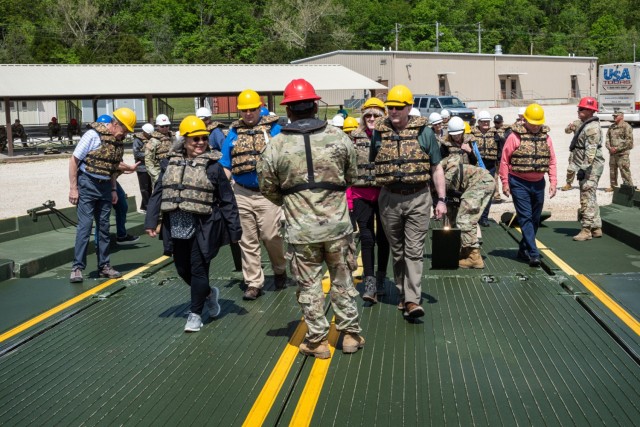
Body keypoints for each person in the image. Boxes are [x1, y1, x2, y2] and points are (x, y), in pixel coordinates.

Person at [258, 78, 364, 358]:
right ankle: (350, 335)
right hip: (338, 226)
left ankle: (317, 342)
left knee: (309, 285)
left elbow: (267, 187)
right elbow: (352, 175)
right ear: (315, 106)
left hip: (300, 230)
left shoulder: (276, 146)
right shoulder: (340, 138)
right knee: (342, 281)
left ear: (289, 110)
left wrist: (292, 201)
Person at [145, 116, 242, 332]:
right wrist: (151, 220)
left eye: (204, 138)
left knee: (199, 269)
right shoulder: (168, 164)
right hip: (176, 225)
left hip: (204, 226)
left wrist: (235, 230)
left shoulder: (213, 167)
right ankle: (208, 293)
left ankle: (195, 314)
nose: (200, 142)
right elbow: (158, 192)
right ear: (184, 140)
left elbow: (227, 200)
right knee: (181, 269)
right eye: (195, 139)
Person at [369, 84, 447, 319]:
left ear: (409, 107)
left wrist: (441, 200)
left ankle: (413, 300)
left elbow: (436, 167)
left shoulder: (424, 132)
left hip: (418, 197)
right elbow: (375, 163)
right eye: (390, 107)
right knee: (398, 250)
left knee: (414, 251)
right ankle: (404, 294)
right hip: (389, 198)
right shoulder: (379, 132)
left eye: (398, 107)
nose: (393, 111)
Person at [221, 89, 287, 300]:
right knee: (246, 239)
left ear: (260, 108)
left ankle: (279, 269)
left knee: (270, 235)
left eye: (252, 109)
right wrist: (220, 190)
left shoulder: (275, 130)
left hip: (268, 193)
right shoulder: (233, 132)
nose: (248, 113)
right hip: (241, 192)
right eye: (244, 110)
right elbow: (226, 164)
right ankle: (253, 282)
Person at [68, 108, 137, 283]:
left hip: (106, 186)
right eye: (125, 130)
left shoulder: (117, 142)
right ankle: (77, 268)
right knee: (84, 227)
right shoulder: (92, 135)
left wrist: (113, 189)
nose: (125, 134)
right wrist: (73, 188)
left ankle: (104, 266)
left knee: (104, 228)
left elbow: (112, 168)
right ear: (115, 124)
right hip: (87, 184)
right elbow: (74, 160)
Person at [499, 103, 557, 267]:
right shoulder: (514, 136)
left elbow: (552, 161)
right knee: (525, 218)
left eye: (538, 123)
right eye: (532, 122)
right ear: (525, 120)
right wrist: (505, 183)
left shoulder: (546, 137)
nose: (535, 126)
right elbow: (504, 161)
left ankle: (523, 249)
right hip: (518, 182)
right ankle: (534, 253)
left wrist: (553, 181)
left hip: (539, 183)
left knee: (535, 219)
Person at [346, 97, 390, 303]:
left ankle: (381, 277)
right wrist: (348, 199)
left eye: (376, 115)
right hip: (361, 193)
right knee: (366, 238)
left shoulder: (390, 136)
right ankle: (369, 282)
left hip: (384, 194)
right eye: (368, 115)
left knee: (383, 238)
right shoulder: (353, 137)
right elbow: (345, 169)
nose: (372, 118)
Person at [570, 97, 605, 241]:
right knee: (591, 196)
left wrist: (583, 169)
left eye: (581, 109)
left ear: (590, 111)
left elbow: (590, 151)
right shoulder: (587, 125)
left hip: (590, 168)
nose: (578, 111)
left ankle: (586, 230)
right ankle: (596, 227)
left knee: (586, 198)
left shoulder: (591, 128)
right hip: (588, 166)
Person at [470, 110, 499, 226]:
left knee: (488, 192)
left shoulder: (496, 134)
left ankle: (484, 217)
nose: (486, 124)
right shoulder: (471, 134)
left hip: (491, 166)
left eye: (487, 122)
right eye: (483, 122)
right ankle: (474, 216)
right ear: (479, 122)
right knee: (475, 192)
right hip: (476, 166)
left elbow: (501, 150)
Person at [605, 111, 634, 191]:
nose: (614, 117)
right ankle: (613, 186)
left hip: (622, 153)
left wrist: (617, 148)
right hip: (612, 153)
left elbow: (629, 142)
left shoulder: (626, 126)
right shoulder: (611, 127)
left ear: (622, 117)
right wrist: (609, 147)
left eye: (616, 116)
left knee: (624, 170)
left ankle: (629, 187)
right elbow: (607, 138)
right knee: (612, 171)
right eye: (613, 116)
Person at [146, 114, 174, 186]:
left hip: (173, 172)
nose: (165, 128)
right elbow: (148, 161)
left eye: (167, 126)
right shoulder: (153, 140)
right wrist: (156, 177)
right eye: (162, 126)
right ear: (158, 126)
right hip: (159, 173)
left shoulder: (173, 138)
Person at [132, 123, 154, 213]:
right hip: (141, 167)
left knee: (149, 187)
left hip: (150, 166)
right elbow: (136, 153)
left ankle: (145, 206)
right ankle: (147, 207)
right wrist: (148, 155)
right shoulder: (137, 140)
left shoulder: (151, 139)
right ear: (144, 131)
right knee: (144, 188)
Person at [492, 114, 512, 201]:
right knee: (495, 177)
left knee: (508, 176)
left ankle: (512, 192)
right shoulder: (492, 131)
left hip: (506, 158)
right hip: (496, 158)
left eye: (499, 122)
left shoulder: (507, 131)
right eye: (496, 122)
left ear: (502, 122)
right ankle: (496, 195)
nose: (497, 124)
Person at [561, 118, 582, 191]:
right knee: (571, 166)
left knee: (587, 167)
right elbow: (567, 131)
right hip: (576, 149)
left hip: (587, 149)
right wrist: (570, 127)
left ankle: (584, 183)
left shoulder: (592, 123)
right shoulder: (576, 123)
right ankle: (569, 183)